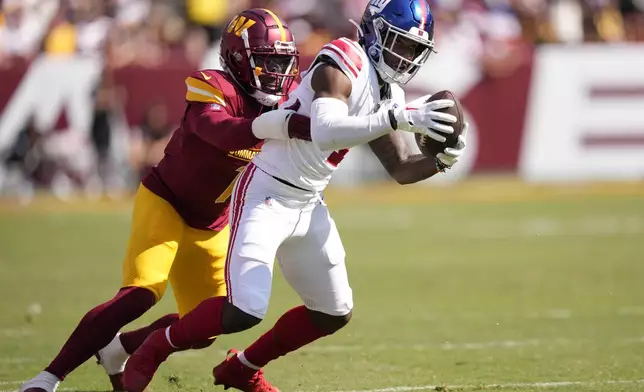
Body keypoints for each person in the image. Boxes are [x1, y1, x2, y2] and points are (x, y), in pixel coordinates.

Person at [123, 1, 469, 391]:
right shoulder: (343, 59)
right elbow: (325, 130)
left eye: (413, 50)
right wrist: (400, 117)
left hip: (309, 202)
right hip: (266, 191)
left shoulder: (387, 91)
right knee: (244, 310)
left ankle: (244, 367)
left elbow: (402, 167)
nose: (405, 57)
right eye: (400, 44)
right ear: (374, 32)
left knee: (334, 312)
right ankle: (155, 346)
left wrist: (439, 162)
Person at [19, 8, 308, 392]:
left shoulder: (286, 98)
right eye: (267, 61)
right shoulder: (212, 84)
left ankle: (118, 349)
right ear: (239, 60)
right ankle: (46, 379)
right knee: (140, 294)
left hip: (214, 224)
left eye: (282, 62)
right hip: (167, 201)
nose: (277, 73)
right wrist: (276, 124)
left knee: (207, 324)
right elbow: (216, 130)